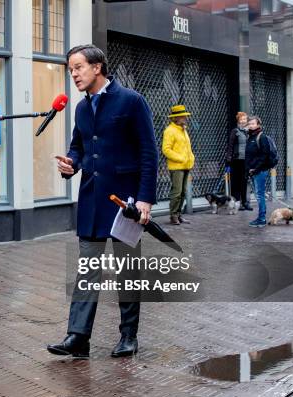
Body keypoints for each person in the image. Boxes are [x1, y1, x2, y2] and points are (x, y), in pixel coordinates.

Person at [47, 44, 158, 358]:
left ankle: (128, 336)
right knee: (87, 270)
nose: (74, 74)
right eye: (70, 70)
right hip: (92, 200)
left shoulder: (132, 101)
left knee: (127, 271)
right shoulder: (82, 108)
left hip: (126, 201)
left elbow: (148, 153)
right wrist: (70, 164)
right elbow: (79, 149)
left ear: (97, 67)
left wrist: (146, 200)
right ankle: (78, 337)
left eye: (78, 67)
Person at [162, 105, 195, 225]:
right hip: (177, 166)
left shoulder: (183, 129)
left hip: (186, 165)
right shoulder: (169, 130)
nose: (185, 118)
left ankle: (179, 214)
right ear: (176, 118)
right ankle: (173, 216)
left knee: (183, 192)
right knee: (176, 192)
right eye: (183, 116)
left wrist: (191, 158)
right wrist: (180, 158)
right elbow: (166, 149)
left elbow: (187, 147)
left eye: (185, 116)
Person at [245, 115, 273, 228]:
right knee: (259, 195)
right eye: (249, 123)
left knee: (260, 195)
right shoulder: (250, 137)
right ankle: (261, 218)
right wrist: (248, 169)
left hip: (259, 171)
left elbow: (264, 155)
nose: (251, 125)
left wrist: (256, 168)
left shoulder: (262, 137)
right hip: (252, 170)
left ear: (258, 125)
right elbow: (249, 155)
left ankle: (261, 219)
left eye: (253, 123)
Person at [225, 112, 252, 211]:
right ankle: (236, 203)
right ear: (238, 120)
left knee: (244, 182)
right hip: (236, 160)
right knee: (236, 182)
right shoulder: (235, 131)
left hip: (246, 161)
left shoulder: (248, 132)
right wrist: (228, 160)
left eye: (245, 119)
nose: (243, 121)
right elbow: (230, 146)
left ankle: (245, 202)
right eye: (242, 119)